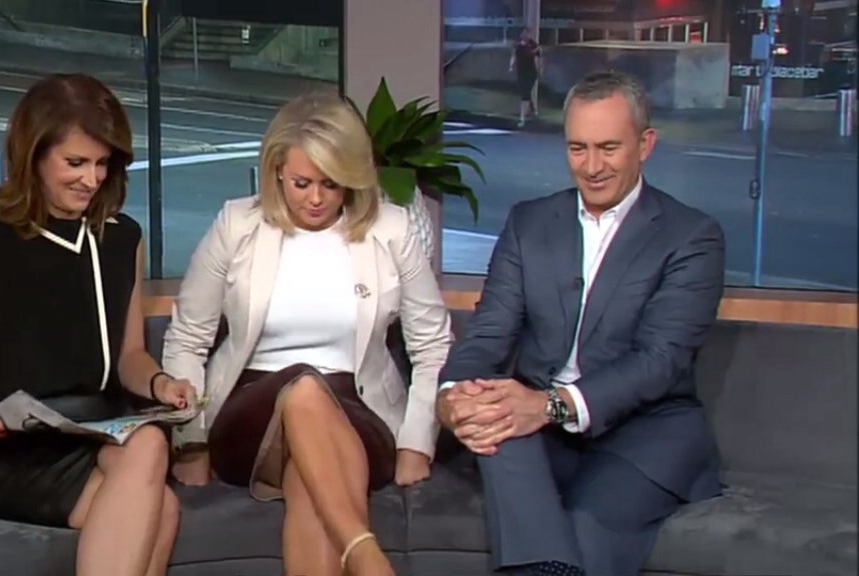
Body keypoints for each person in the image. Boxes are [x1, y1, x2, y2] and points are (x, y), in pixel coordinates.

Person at [0, 73, 193, 576]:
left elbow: (128, 358)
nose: (91, 179)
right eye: (75, 163)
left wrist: (161, 384)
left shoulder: (123, 239)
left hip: (93, 433)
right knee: (160, 509)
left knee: (148, 444)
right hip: (6, 451)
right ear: (33, 156)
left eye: (102, 163)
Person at [436, 70, 726, 576]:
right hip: (542, 430)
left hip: (644, 432)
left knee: (585, 528)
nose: (591, 167)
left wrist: (549, 405)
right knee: (495, 422)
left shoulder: (691, 237)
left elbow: (658, 361)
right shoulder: (529, 223)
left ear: (645, 144)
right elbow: (488, 333)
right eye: (578, 148)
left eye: (608, 148)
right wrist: (452, 396)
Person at [161, 90, 453, 576]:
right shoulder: (238, 224)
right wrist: (190, 443)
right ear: (277, 170)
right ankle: (366, 556)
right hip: (251, 411)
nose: (315, 199)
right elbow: (188, 337)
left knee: (309, 480)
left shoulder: (391, 229)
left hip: (360, 412)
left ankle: (362, 556)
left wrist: (415, 444)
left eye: (331, 184)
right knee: (303, 390)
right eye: (301, 183)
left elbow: (433, 344)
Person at [509, 27, 541, 128]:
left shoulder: (533, 46)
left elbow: (537, 59)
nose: (526, 35)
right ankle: (533, 111)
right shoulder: (518, 45)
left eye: (527, 33)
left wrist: (539, 71)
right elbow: (514, 56)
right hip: (521, 73)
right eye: (524, 33)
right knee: (525, 93)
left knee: (525, 95)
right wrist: (511, 66)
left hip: (530, 73)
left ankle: (522, 118)